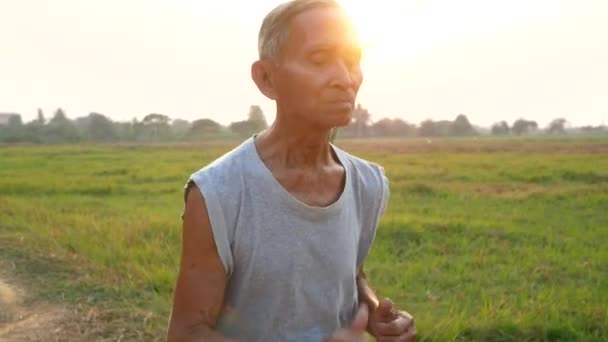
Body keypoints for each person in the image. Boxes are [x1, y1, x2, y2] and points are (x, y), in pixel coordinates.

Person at [167, 0, 416, 341]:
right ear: (267, 78)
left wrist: (375, 313)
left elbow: (348, 276)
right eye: (319, 60)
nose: (344, 79)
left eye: (352, 60)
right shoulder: (217, 194)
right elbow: (188, 332)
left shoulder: (367, 185)